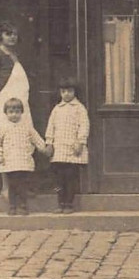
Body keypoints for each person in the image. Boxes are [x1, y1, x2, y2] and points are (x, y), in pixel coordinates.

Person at [0, 98, 50, 215]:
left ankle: (23, 205)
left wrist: (45, 149)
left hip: (23, 162)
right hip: (9, 162)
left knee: (23, 185)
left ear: (21, 113)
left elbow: (37, 140)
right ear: (6, 113)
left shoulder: (27, 128)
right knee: (12, 185)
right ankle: (12, 206)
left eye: (17, 112)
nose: (14, 115)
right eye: (11, 112)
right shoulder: (2, 129)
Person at [45, 77, 90, 214]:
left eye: (69, 91)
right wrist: (49, 143)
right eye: (63, 91)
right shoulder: (57, 109)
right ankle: (60, 203)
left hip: (72, 148)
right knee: (59, 179)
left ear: (75, 92)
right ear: (59, 92)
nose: (66, 94)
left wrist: (80, 142)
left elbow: (84, 126)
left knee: (70, 177)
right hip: (59, 150)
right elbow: (50, 127)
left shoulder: (79, 108)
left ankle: (69, 203)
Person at [0, 23, 33, 128]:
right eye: (8, 34)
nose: (12, 37)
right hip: (3, 101)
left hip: (20, 101)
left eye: (15, 34)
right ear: (1, 36)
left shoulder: (16, 55)